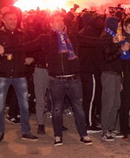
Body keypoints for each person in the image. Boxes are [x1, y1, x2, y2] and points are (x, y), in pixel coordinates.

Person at [38, 11, 93, 146]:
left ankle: (83, 134)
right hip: (56, 79)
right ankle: (57, 135)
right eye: (57, 21)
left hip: (73, 78)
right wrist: (4, 49)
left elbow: (93, 41)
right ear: (50, 24)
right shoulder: (46, 38)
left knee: (78, 107)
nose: (61, 23)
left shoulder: (72, 36)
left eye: (62, 20)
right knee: (57, 108)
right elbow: (27, 45)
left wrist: (112, 39)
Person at [0, 7, 39, 143]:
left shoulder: (22, 34)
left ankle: (26, 132)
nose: (13, 21)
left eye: (15, 19)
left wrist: (31, 58)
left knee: (24, 105)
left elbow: (31, 49)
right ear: (3, 20)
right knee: (0, 106)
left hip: (20, 75)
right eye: (10, 19)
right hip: (2, 75)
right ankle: (0, 132)